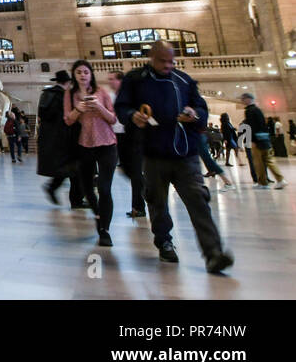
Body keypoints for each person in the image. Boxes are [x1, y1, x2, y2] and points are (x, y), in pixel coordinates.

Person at [114, 41, 233, 273]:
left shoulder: (184, 81)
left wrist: (194, 113)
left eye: (171, 61)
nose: (168, 65)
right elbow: (122, 106)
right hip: (153, 152)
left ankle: (213, 253)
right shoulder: (135, 79)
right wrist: (132, 115)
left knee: (198, 200)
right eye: (163, 61)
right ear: (151, 57)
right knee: (157, 201)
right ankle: (164, 242)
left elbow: (201, 108)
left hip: (185, 152)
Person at [64, 60, 118, 246]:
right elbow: (68, 120)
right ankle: (98, 215)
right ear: (74, 75)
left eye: (86, 72)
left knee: (104, 188)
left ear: (91, 74)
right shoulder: (70, 94)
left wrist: (98, 106)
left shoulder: (101, 92)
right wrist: (79, 109)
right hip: (84, 145)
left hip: (107, 144)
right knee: (88, 189)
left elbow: (112, 118)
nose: (83, 75)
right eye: (79, 72)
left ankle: (104, 230)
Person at [38, 71, 84, 208]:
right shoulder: (64, 96)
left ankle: (60, 191)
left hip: (50, 138)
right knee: (73, 168)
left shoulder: (46, 94)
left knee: (68, 169)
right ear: (67, 82)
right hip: (65, 137)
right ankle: (75, 200)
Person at [108, 72, 145, 218]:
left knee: (135, 172)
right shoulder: (111, 96)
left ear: (120, 81)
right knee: (126, 170)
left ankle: (138, 207)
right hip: (118, 137)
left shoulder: (130, 96)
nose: (110, 82)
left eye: (112, 79)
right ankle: (146, 188)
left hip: (132, 135)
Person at [241, 92, 286, 189]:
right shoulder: (258, 110)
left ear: (248, 99)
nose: (242, 101)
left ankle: (263, 183)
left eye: (243, 99)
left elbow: (251, 127)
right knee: (269, 160)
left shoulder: (249, 111)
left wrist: (252, 140)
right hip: (265, 138)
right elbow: (263, 125)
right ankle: (280, 179)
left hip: (257, 140)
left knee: (258, 162)